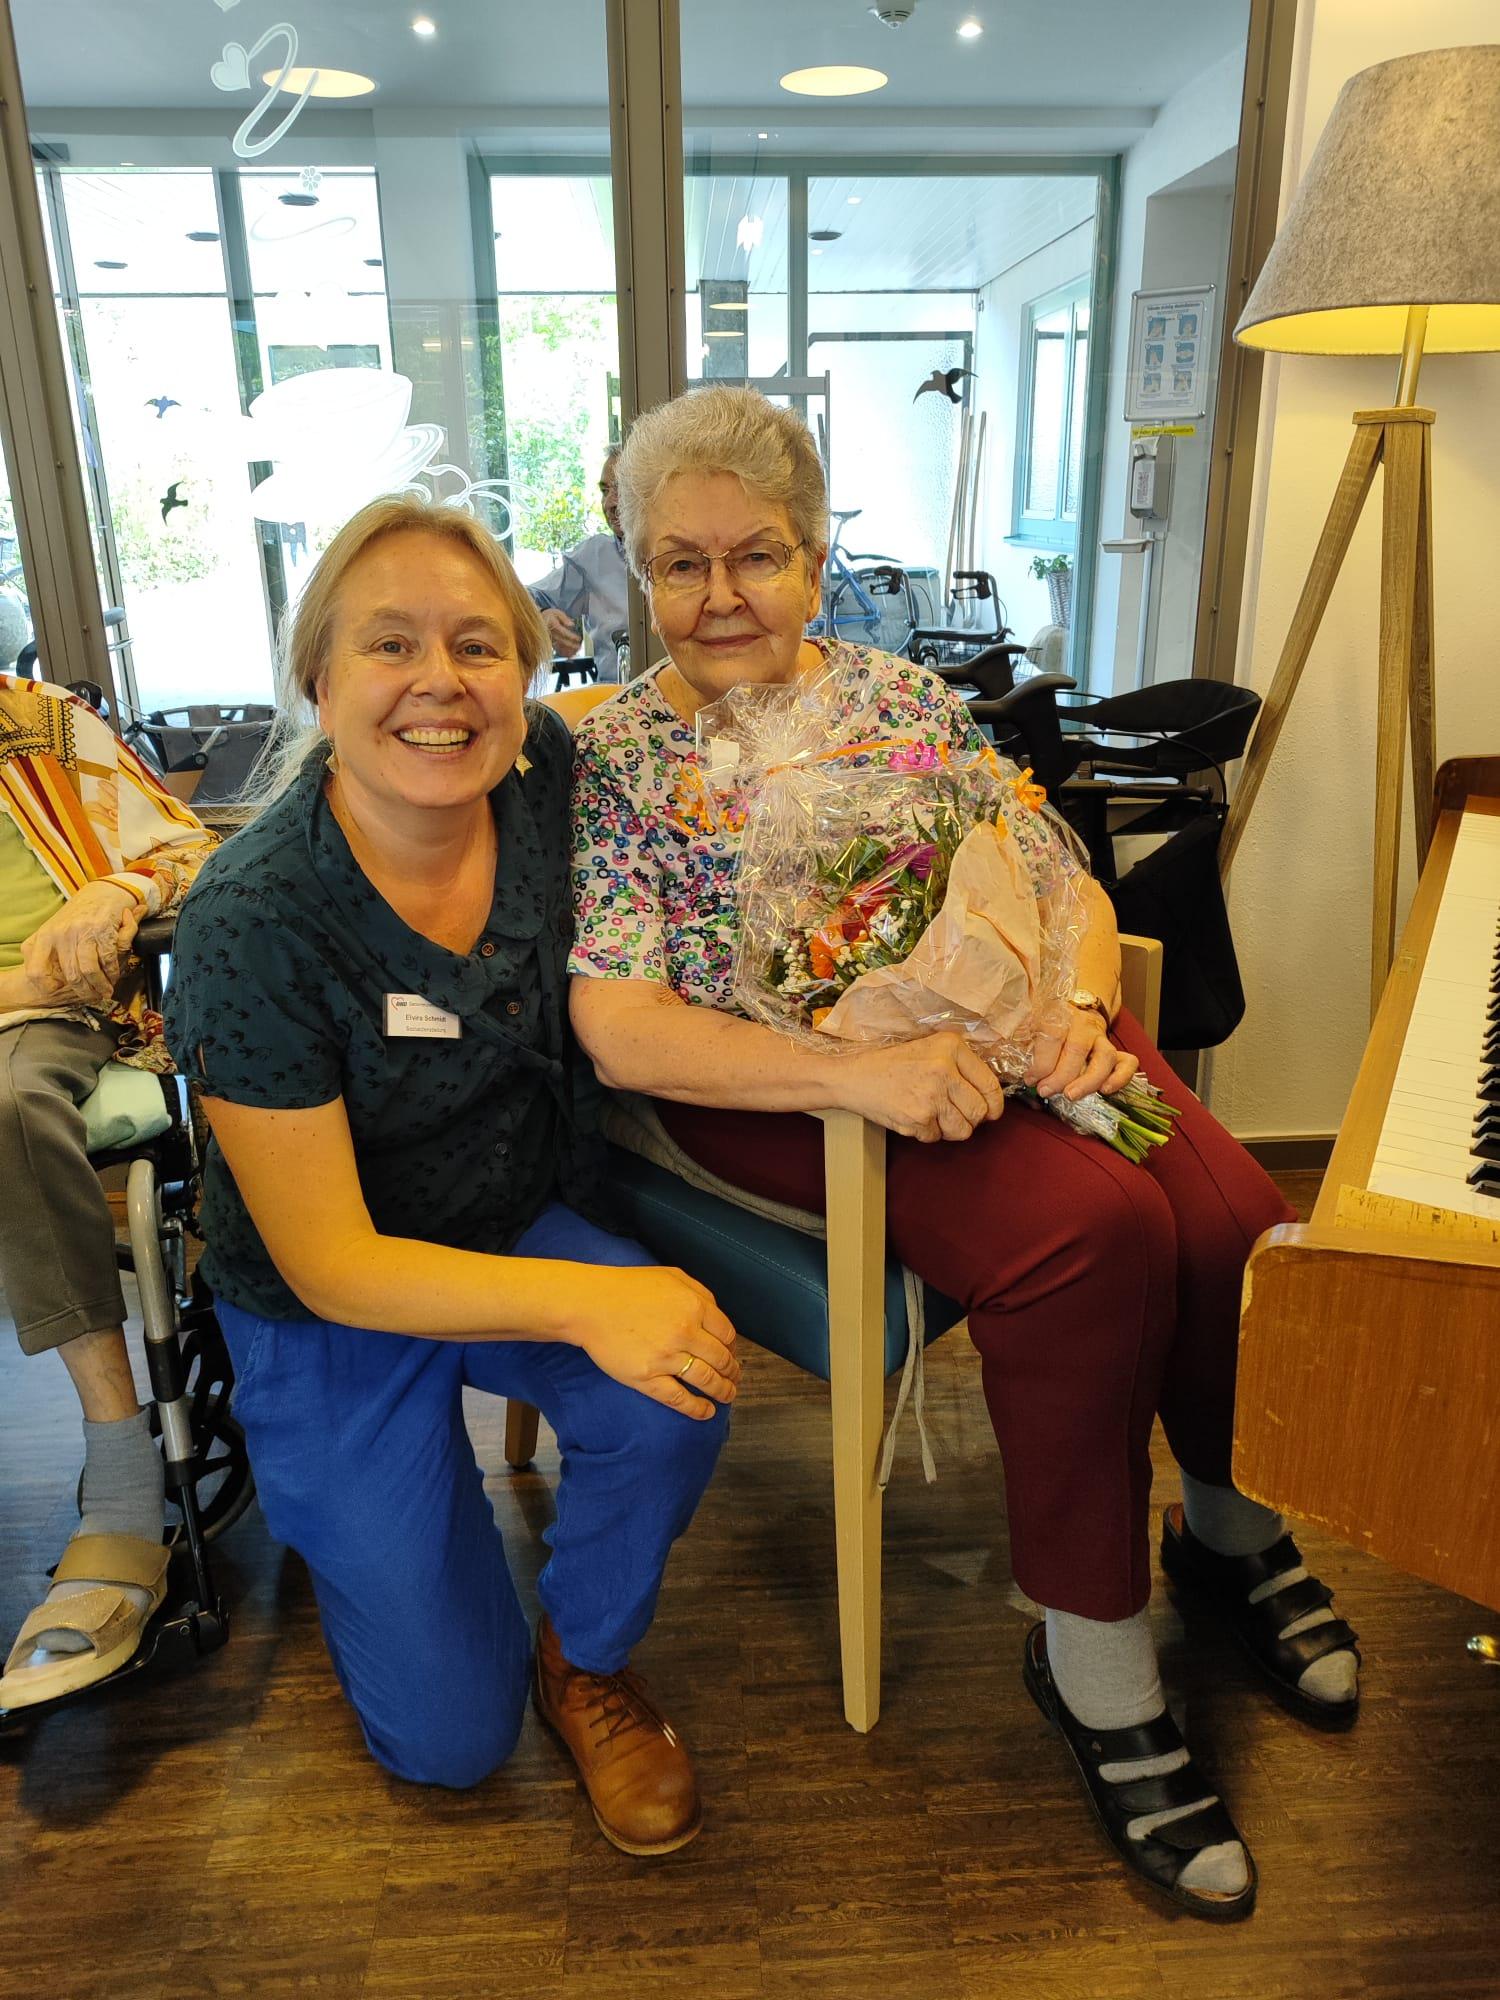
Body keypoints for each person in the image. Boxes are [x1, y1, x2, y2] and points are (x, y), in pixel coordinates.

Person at [567, 386, 1360, 1921]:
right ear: (637, 571)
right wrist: (854, 1069)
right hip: (786, 1089)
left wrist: (1075, 1009)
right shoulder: (618, 766)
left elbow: (1050, 867)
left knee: (1231, 1216)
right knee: (1092, 1237)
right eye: (679, 562)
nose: (721, 595)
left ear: (815, 559)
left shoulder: (903, 697)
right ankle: (1097, 1663)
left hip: (1006, 1025)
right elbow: (618, 1023)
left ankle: (1228, 1529)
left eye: (758, 555)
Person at [161, 495, 732, 1851]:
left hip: (506, 1214)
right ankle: (369, 1543)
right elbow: (334, 1263)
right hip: (329, 1296)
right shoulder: (250, 920)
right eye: (390, 644)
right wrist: (597, 1300)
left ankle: (584, 1656)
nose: (439, 681)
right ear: (317, 678)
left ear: (524, 674)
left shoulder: (541, 778)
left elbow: (664, 729)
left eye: (478, 646)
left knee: (678, 1386)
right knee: (450, 1745)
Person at [0, 672, 216, 1709]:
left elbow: (193, 848)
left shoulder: (37, 723)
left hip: (42, 1023)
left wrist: (119, 888)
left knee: (7, 1103)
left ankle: (124, 1483)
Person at [530, 447, 630, 681]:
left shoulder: (683, 553)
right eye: (605, 491)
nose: (609, 503)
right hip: (616, 697)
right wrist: (543, 615)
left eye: (621, 489)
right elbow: (520, 597)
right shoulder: (593, 557)